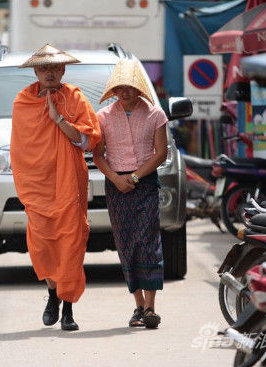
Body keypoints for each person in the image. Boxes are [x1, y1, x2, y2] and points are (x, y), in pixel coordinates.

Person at [10, 44, 101, 331]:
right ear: (36, 71)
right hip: (37, 187)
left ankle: (69, 309)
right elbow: (20, 148)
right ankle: (53, 295)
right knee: (43, 246)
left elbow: (88, 140)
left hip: (68, 184)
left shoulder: (74, 98)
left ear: (63, 70)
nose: (49, 72)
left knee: (71, 243)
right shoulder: (22, 102)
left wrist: (58, 118)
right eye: (44, 68)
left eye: (55, 68)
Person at [92, 59, 167, 329]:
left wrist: (135, 177)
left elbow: (161, 153)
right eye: (120, 88)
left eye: (131, 87)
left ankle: (150, 308)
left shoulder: (155, 114)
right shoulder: (102, 117)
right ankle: (137, 305)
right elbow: (98, 155)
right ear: (113, 91)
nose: (125, 92)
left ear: (140, 89)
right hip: (116, 186)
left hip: (145, 183)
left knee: (148, 242)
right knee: (126, 244)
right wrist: (116, 179)